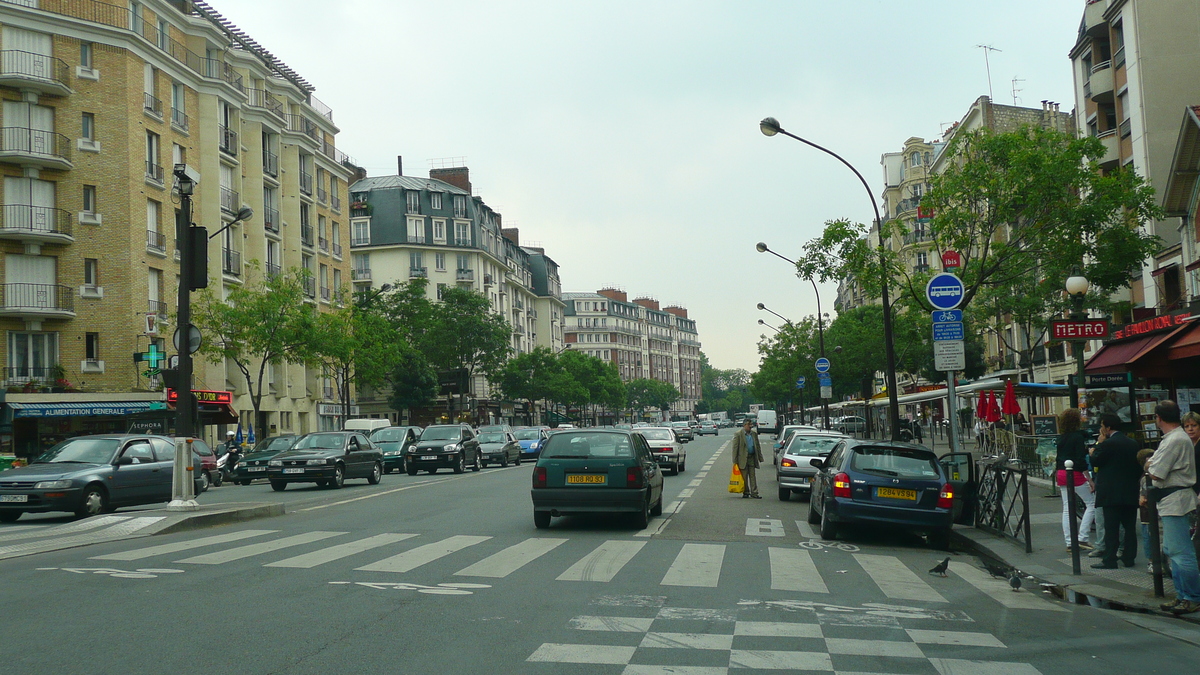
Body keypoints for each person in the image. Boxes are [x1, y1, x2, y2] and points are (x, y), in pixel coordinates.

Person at [1146, 400, 1200, 615]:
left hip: (1175, 499)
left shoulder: (1174, 440)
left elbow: (1156, 471)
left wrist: (1150, 464)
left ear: (1158, 417)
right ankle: (1183, 595)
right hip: (1172, 499)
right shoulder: (1175, 438)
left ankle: (1192, 597)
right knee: (1173, 550)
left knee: (1180, 552)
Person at [1088, 413, 1141, 569]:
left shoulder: (1107, 444)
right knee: (1129, 527)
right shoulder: (1133, 443)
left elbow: (1096, 460)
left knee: (1111, 528)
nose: (1100, 429)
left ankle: (1109, 559)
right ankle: (1129, 557)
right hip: (1129, 491)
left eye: (1102, 426)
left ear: (1107, 428)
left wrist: (1096, 447)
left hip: (1110, 493)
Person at [1055, 408, 1096, 551]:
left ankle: (1069, 542)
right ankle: (1082, 538)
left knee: (1067, 507)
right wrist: (1089, 479)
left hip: (1061, 471)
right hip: (1075, 472)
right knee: (1091, 503)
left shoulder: (1061, 437)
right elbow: (1080, 460)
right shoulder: (1078, 438)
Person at [732, 419, 763, 499]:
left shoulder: (754, 434)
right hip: (742, 458)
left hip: (752, 457)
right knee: (744, 476)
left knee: (753, 476)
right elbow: (735, 448)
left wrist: (760, 457)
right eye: (749, 424)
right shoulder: (738, 434)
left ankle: (754, 493)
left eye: (751, 424)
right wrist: (735, 460)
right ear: (744, 425)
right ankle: (746, 492)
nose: (750, 426)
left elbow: (757, 446)